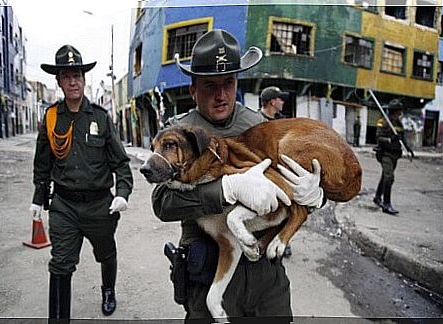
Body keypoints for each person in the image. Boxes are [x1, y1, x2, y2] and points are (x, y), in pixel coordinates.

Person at [151, 29, 325, 322]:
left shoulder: (259, 126)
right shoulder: (176, 134)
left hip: (266, 276)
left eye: (228, 83)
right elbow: (162, 203)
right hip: (210, 272)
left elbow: (287, 190)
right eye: (210, 86)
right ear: (193, 89)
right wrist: (224, 190)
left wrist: (312, 196)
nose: (221, 95)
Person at [29, 45, 134, 320]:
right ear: (60, 82)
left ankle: (108, 290)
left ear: (84, 79)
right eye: (67, 76)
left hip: (99, 205)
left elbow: (121, 163)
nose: (73, 81)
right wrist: (38, 198)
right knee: (60, 263)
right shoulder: (51, 117)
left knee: (105, 253)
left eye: (77, 75)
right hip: (64, 206)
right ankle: (59, 318)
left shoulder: (100, 117)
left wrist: (122, 193)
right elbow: (43, 164)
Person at [259, 86, 293, 258]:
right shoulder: (256, 121)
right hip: (264, 171)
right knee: (267, 207)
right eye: (280, 99)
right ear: (272, 102)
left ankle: (283, 239)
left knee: (287, 205)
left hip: (281, 170)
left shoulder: (283, 122)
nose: (283, 102)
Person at [373, 99, 413, 215]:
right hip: (385, 154)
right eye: (398, 111)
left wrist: (408, 148)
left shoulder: (398, 123)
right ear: (394, 111)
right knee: (389, 177)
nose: (400, 113)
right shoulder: (384, 122)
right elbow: (379, 138)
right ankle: (386, 204)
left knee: (385, 176)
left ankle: (377, 197)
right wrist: (390, 139)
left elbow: (402, 137)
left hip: (395, 154)